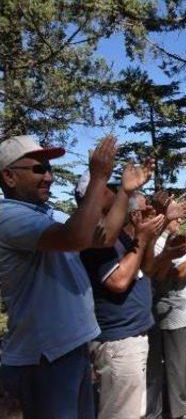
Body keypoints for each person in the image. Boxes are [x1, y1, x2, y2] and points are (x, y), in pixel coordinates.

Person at [0, 135, 118, 419]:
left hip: (69, 348)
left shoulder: (45, 215)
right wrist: (99, 177)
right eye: (38, 169)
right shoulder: (7, 216)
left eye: (50, 169)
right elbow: (77, 237)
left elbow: (104, 238)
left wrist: (124, 191)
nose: (49, 177)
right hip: (44, 357)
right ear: (8, 177)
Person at [80, 190, 163, 419]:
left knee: (131, 409)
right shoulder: (97, 239)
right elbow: (118, 281)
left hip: (132, 335)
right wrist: (143, 237)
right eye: (112, 193)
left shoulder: (121, 238)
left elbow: (146, 269)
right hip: (118, 340)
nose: (118, 197)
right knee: (119, 413)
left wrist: (146, 235)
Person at [145, 193, 186, 419]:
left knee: (176, 364)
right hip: (170, 313)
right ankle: (177, 413)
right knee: (175, 365)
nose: (179, 220)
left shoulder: (170, 239)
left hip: (180, 312)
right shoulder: (158, 242)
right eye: (175, 216)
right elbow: (174, 274)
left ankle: (171, 408)